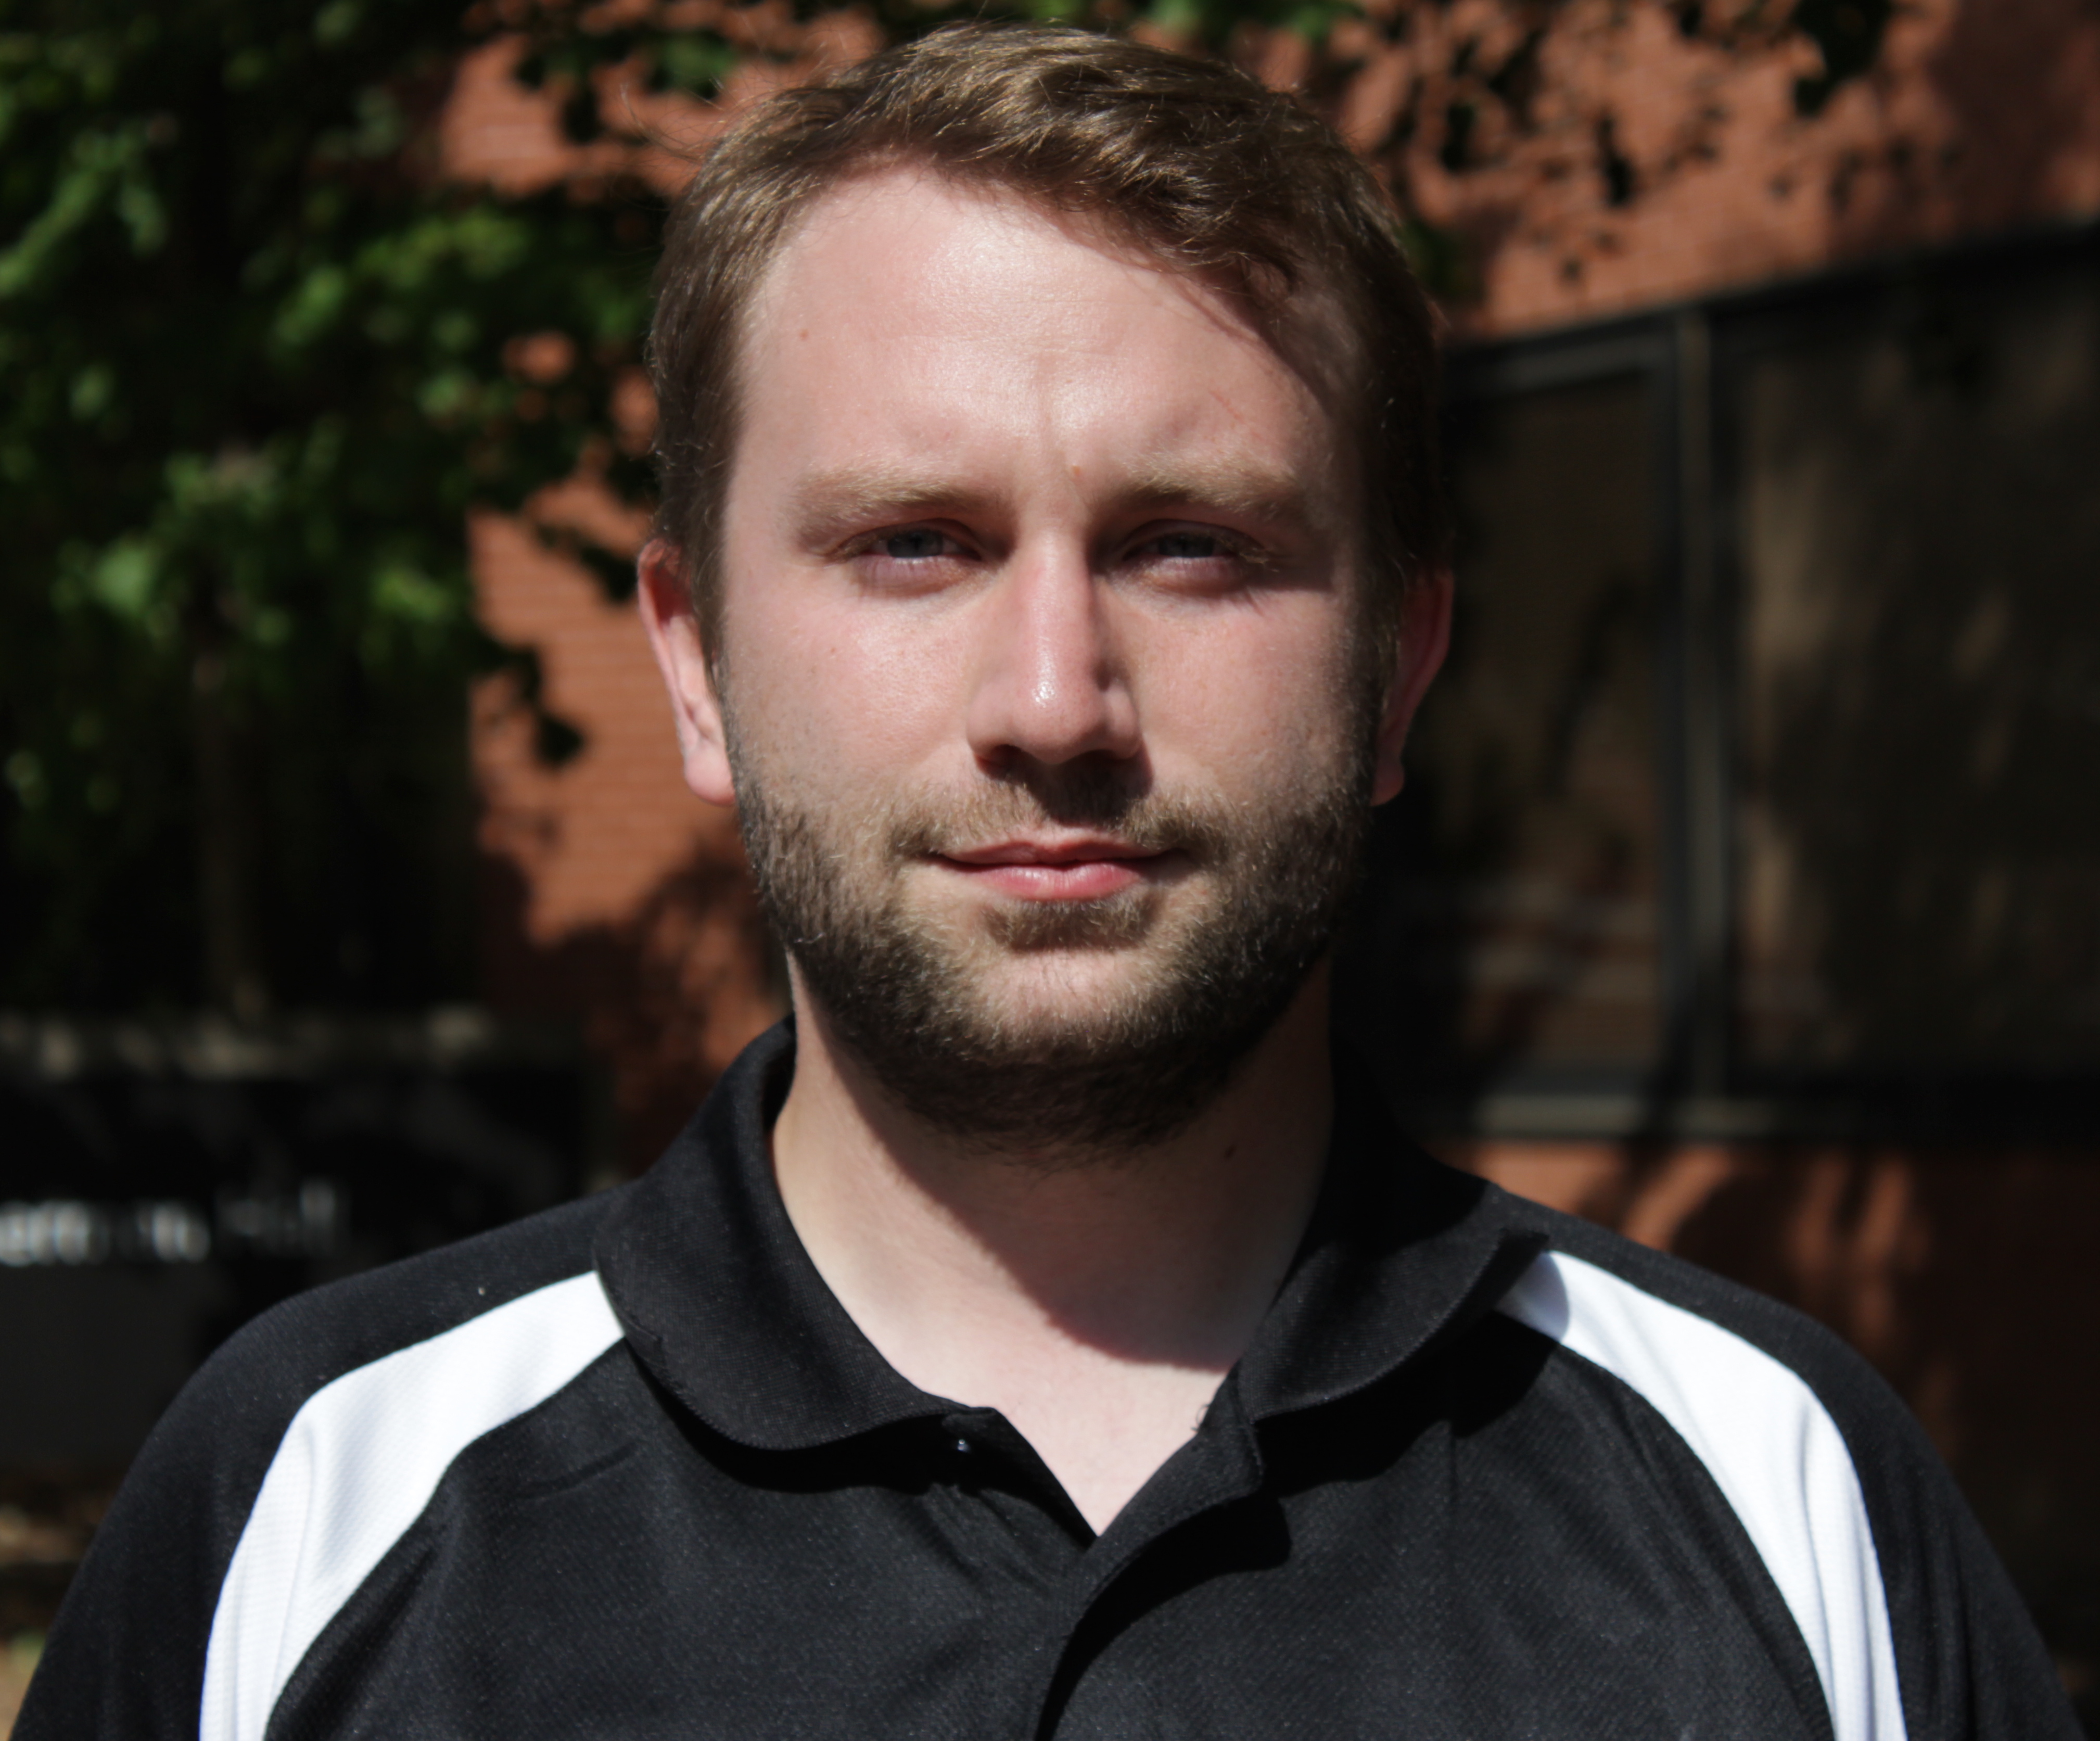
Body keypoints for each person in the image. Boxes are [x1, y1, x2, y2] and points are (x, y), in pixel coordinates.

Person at [18, 24, 2077, 1741]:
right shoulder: (308, 1505)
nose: (1053, 699)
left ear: (1399, 668)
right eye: (913, 542)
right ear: (695, 663)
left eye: (1191, 545)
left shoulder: (1782, 1491)